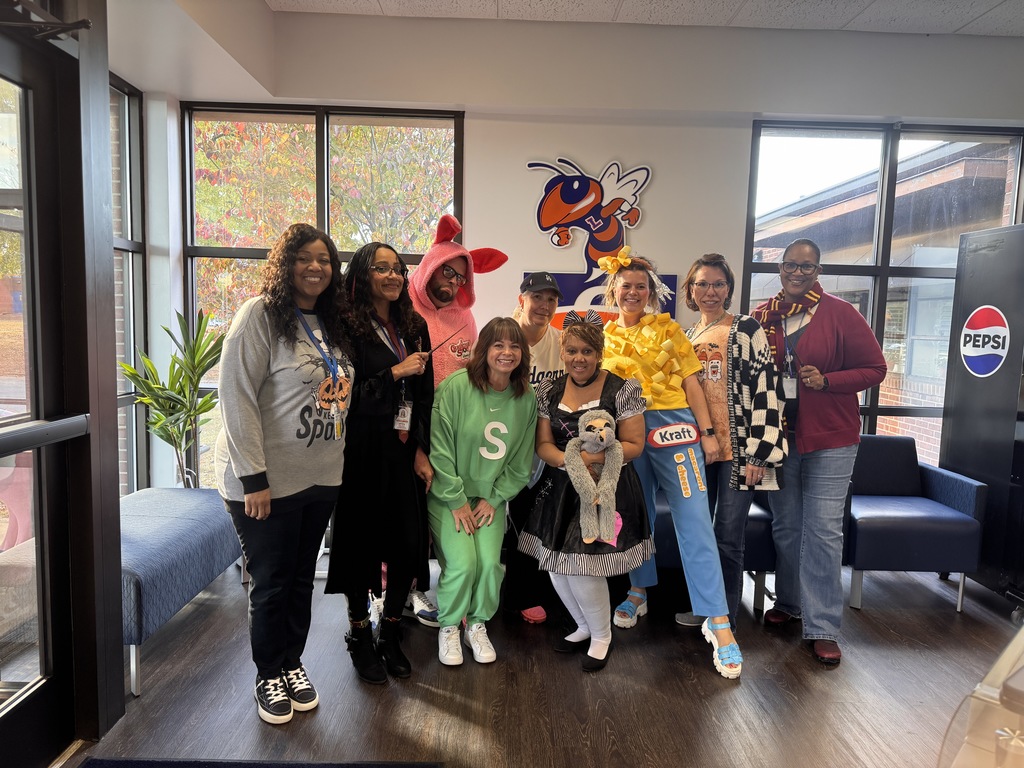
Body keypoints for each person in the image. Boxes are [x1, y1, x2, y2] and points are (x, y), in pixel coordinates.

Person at [215, 223, 353, 724]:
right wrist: (253, 477)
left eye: (324, 259)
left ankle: (292, 663)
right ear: (285, 263)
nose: (315, 267)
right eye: (303, 258)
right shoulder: (260, 315)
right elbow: (235, 395)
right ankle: (268, 673)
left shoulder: (334, 322)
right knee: (271, 582)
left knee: (299, 580)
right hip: (266, 482)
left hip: (320, 477)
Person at [601, 247, 741, 679]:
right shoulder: (603, 337)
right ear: (613, 289)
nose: (633, 293)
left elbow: (692, 384)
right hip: (626, 431)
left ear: (651, 292)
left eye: (641, 287)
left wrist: (709, 433)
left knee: (695, 518)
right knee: (636, 515)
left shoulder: (670, 330)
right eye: (626, 286)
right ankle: (638, 590)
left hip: (674, 428)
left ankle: (718, 619)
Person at [752, 238, 886, 666]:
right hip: (778, 439)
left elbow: (876, 369)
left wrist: (828, 380)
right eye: (791, 265)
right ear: (780, 268)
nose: (798, 273)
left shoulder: (841, 314)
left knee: (824, 531)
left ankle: (823, 626)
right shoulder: (762, 317)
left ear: (818, 272)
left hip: (831, 438)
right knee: (787, 527)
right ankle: (790, 603)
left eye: (807, 267)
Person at [323, 241, 433, 684]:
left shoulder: (414, 325)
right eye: (381, 269)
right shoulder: (345, 327)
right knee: (359, 544)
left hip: (403, 451)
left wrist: (421, 449)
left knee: (408, 542)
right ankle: (359, 634)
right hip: (360, 452)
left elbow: (424, 397)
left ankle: (389, 631)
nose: (393, 277)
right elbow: (346, 398)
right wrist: (396, 372)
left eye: (398, 269)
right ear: (362, 274)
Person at [518, 312, 651, 672]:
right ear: (562, 352)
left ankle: (602, 636)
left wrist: (592, 460)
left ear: (599, 353)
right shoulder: (549, 389)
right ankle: (583, 626)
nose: (579, 358)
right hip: (561, 487)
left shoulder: (622, 389)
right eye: (572, 351)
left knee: (583, 566)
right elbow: (543, 444)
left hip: (606, 488)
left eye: (588, 351)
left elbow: (635, 443)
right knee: (557, 564)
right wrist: (571, 461)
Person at [678, 253, 787, 629]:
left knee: (727, 536)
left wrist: (759, 454)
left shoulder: (746, 328)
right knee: (699, 534)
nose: (710, 291)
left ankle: (723, 619)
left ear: (729, 289)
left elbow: (767, 390)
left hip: (739, 451)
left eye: (718, 284)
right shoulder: (687, 336)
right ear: (691, 289)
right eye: (702, 284)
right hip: (697, 450)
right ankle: (704, 606)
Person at [428, 317, 537, 666]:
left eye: (515, 346)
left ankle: (476, 624)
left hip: (490, 498)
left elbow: (521, 461)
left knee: (490, 565)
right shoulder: (456, 387)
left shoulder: (526, 397)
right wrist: (456, 499)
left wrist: (495, 497)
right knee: (463, 565)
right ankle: (449, 626)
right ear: (484, 349)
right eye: (498, 345)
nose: (507, 352)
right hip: (449, 496)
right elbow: (439, 449)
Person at [504, 271, 566, 625]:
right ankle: (515, 595)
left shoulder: (561, 341)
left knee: (541, 521)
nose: (544, 305)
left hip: (547, 446)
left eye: (551, 299)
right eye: (537, 297)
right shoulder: (504, 336)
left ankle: (541, 591)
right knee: (512, 522)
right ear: (521, 299)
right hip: (505, 443)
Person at [408, 213, 508, 387]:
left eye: (460, 278)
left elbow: (474, 363)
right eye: (448, 272)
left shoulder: (465, 317)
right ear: (431, 266)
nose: (454, 281)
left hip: (455, 401)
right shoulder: (404, 305)